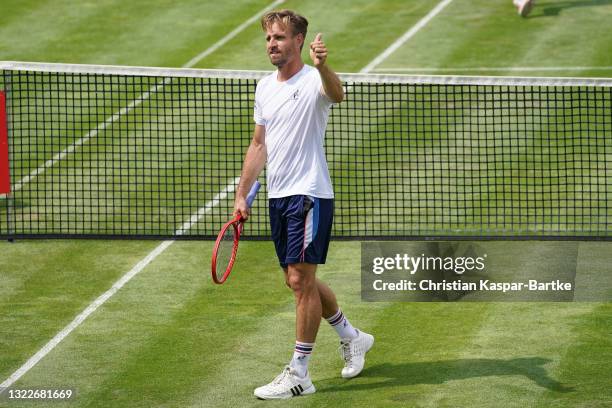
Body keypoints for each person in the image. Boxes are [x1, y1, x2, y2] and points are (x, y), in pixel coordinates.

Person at [233, 9, 374, 400]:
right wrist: (242, 193)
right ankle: (351, 336)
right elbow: (258, 144)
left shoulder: (314, 81)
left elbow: (338, 94)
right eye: (267, 39)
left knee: (300, 280)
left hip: (309, 194)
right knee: (299, 281)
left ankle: (299, 372)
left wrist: (324, 66)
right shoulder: (264, 87)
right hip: (277, 196)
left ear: (298, 41)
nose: (272, 45)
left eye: (279, 37)